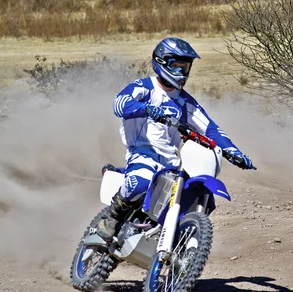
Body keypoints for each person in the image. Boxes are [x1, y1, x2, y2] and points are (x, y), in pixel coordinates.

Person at [97, 37, 255, 242]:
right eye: (176, 66)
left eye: (185, 67)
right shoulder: (145, 87)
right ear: (161, 62)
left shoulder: (186, 102)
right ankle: (113, 216)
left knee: (200, 196)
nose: (181, 73)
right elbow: (119, 104)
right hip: (142, 153)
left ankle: (181, 242)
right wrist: (146, 109)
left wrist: (233, 152)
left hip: (171, 162)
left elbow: (211, 129)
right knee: (140, 181)